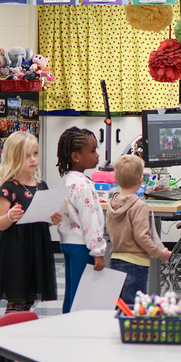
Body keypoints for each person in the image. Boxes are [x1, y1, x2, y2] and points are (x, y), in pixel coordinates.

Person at [0, 131, 63, 312]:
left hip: (37, 248)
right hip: (17, 250)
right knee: (17, 298)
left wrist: (51, 220)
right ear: (13, 158)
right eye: (26, 156)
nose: (33, 159)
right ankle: (11, 330)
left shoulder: (41, 185)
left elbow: (41, 217)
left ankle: (20, 327)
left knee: (29, 297)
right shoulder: (8, 188)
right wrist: (9, 217)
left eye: (35, 154)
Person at [106, 155, 172, 305]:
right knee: (135, 307)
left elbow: (110, 230)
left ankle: (120, 328)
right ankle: (134, 329)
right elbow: (142, 237)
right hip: (135, 264)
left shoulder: (112, 204)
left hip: (116, 259)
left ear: (116, 178)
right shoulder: (139, 206)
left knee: (120, 305)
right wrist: (160, 253)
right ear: (140, 180)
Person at [56, 127, 107, 313]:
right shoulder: (84, 185)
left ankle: (66, 322)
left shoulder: (66, 179)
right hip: (82, 246)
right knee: (81, 294)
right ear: (76, 157)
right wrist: (98, 251)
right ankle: (73, 329)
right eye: (92, 151)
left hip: (67, 242)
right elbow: (90, 220)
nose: (97, 155)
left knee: (71, 291)